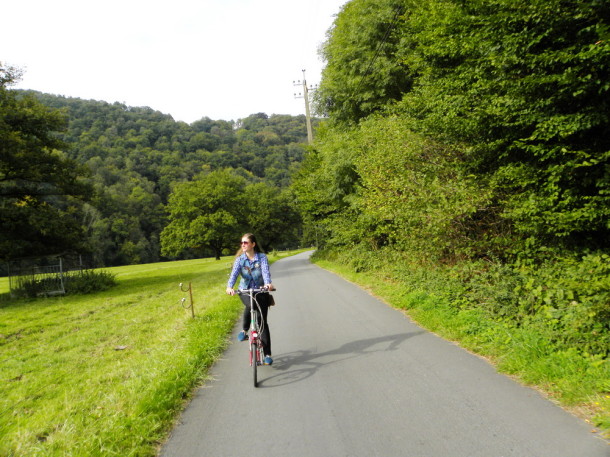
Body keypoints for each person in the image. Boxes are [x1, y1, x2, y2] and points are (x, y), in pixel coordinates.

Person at [226, 233, 275, 365]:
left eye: (246, 242)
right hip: (245, 291)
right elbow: (234, 274)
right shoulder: (240, 260)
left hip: (261, 291)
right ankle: (244, 329)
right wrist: (229, 287)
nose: (243, 245)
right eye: (242, 242)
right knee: (250, 304)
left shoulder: (262, 258)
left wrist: (268, 284)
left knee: (262, 322)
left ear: (253, 244)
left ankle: (267, 354)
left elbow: (265, 272)